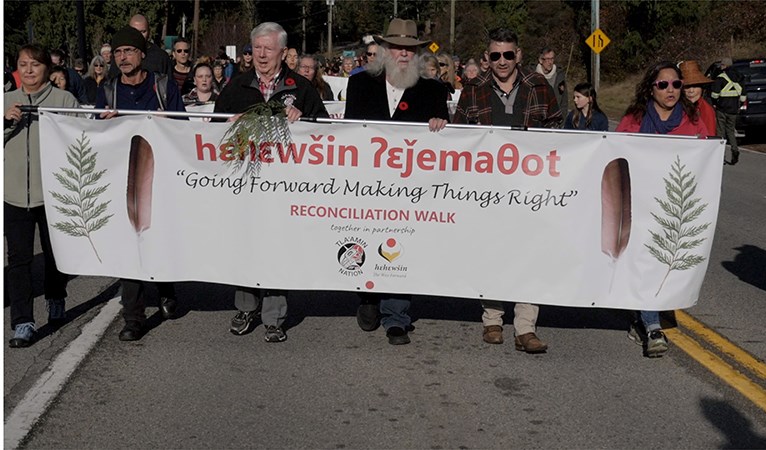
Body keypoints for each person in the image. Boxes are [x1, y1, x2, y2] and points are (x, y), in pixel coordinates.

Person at [214, 22, 328, 343]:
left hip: (285, 186)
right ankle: (245, 306)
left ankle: (274, 316)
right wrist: (227, 123)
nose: (262, 55)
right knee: (246, 241)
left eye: (268, 48)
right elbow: (210, 130)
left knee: (278, 246)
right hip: (246, 184)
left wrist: (303, 117)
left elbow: (326, 132)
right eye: (257, 48)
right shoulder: (236, 86)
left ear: (283, 52)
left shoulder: (301, 87)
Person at [453, 28, 561, 354]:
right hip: (487, 190)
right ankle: (493, 319)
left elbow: (558, 131)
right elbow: (459, 137)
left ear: (519, 55)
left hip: (530, 189)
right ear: (488, 57)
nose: (502, 61)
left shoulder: (540, 87)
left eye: (508, 54)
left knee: (530, 254)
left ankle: (526, 326)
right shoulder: (472, 90)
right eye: (496, 55)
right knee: (492, 252)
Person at [345, 18, 449, 345]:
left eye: (410, 50)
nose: (403, 55)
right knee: (365, 238)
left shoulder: (432, 89)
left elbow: (444, 138)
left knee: (402, 244)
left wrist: (439, 123)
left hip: (410, 188)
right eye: (397, 48)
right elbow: (348, 135)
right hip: (367, 184)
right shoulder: (360, 84)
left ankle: (397, 315)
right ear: (386, 50)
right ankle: (369, 298)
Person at [96, 26, 186, 341]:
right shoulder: (107, 91)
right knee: (129, 244)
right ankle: (133, 318)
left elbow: (184, 129)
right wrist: (103, 125)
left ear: (142, 55)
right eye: (118, 52)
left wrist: (168, 122)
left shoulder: (162, 87)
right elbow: (96, 137)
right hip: (124, 177)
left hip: (160, 176)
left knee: (157, 236)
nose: (123, 57)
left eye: (129, 51)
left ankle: (166, 288)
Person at [616, 60, 708, 358]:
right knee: (643, 262)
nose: (671, 90)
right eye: (663, 84)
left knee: (661, 263)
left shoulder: (693, 121)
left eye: (677, 84)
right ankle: (653, 326)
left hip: (674, 205)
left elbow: (704, 162)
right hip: (639, 203)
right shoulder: (634, 119)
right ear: (650, 88)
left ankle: (642, 318)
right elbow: (614, 154)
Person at [5, 44, 79, 347]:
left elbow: (84, 136)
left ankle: (56, 297)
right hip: (13, 195)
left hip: (53, 195)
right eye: (23, 65)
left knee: (55, 255)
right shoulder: (6, 100)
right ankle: (22, 322)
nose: (29, 70)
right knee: (19, 260)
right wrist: (5, 121)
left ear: (47, 68)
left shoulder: (64, 99)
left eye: (35, 65)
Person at [109, 14, 172, 80]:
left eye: (143, 31)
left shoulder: (161, 57)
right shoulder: (120, 55)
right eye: (135, 31)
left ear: (149, 32)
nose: (139, 36)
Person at [710, 57, 744, 165]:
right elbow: (743, 97)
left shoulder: (720, 78)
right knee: (730, 132)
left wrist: (715, 103)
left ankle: (721, 156)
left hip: (722, 109)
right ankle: (735, 149)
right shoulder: (739, 77)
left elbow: (714, 95)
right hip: (733, 110)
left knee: (721, 133)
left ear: (724, 66)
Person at [679, 60, 716, 136]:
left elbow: (710, 138)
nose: (691, 91)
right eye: (687, 87)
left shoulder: (707, 110)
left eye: (695, 86)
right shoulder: (671, 107)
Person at [535, 47, 568, 121]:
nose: (550, 62)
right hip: (537, 120)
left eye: (552, 59)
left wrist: (562, 121)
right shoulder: (532, 75)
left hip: (555, 120)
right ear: (540, 60)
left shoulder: (559, 76)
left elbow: (564, 102)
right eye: (547, 59)